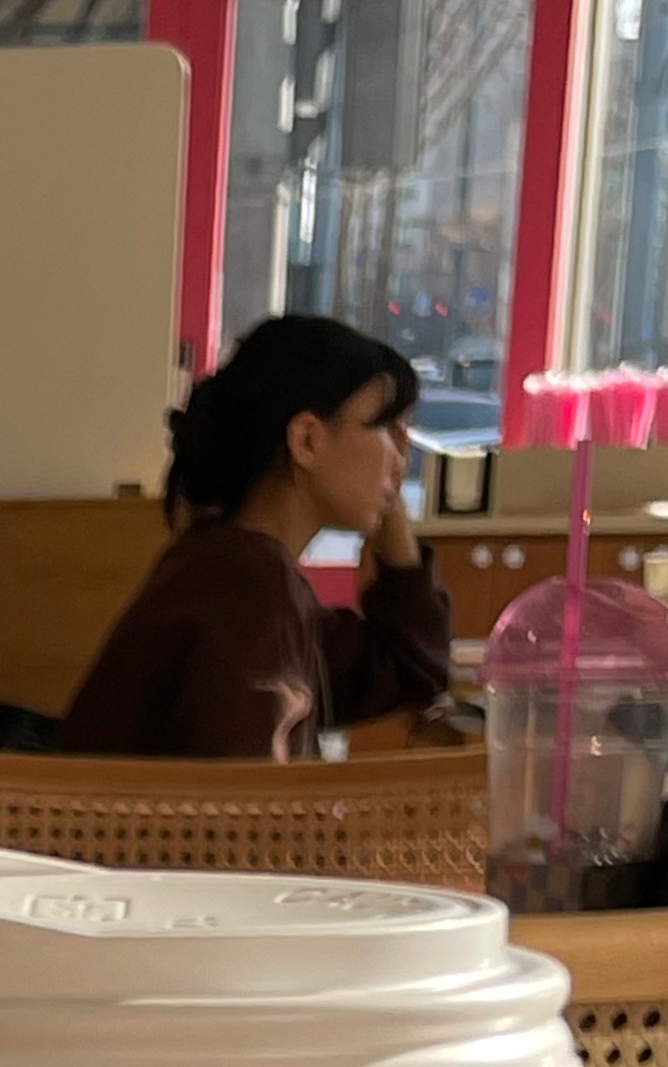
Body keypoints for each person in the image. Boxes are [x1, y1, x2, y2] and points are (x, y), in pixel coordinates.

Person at [61, 315, 449, 760]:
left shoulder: (236, 566)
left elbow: (407, 672)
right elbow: (246, 798)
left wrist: (393, 531)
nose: (402, 460)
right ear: (307, 440)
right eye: (386, 428)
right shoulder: (247, 588)